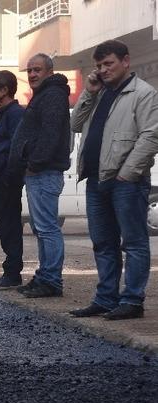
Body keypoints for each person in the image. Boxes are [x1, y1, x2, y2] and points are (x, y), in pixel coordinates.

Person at [69, 40, 158, 320]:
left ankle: (132, 300)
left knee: (133, 242)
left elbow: (151, 135)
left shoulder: (143, 93)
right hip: (96, 179)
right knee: (103, 242)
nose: (103, 70)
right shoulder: (99, 92)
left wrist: (127, 173)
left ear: (126, 61)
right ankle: (106, 298)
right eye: (99, 65)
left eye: (108, 63)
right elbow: (74, 125)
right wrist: (89, 92)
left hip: (125, 181)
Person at [7, 53, 71, 298]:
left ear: (49, 72)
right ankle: (45, 276)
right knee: (41, 228)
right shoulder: (44, 94)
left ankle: (52, 281)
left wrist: (35, 163)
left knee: (47, 228)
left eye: (37, 70)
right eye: (29, 70)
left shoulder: (53, 95)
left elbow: (50, 134)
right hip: (37, 172)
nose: (32, 74)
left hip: (44, 171)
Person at [0, 70, 26, 289]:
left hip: (7, 182)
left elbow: (16, 149)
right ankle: (10, 271)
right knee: (5, 227)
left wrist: (8, 177)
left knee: (10, 227)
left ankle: (12, 274)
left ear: (6, 90)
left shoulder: (15, 114)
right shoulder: (3, 114)